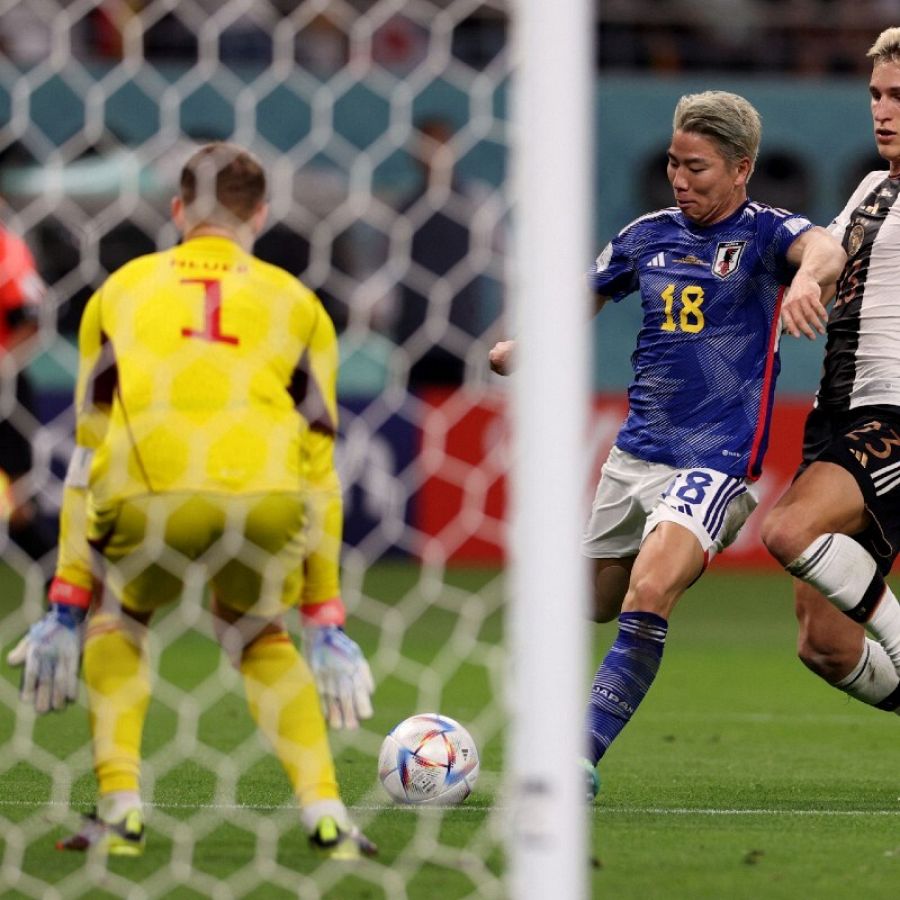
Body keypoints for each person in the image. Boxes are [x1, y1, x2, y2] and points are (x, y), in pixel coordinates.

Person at [17, 141, 377, 859]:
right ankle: (327, 815)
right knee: (259, 635)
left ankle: (120, 811)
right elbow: (320, 466)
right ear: (263, 216)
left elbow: (88, 456)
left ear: (178, 210)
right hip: (267, 495)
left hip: (149, 490)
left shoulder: (120, 288)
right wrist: (326, 614)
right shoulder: (299, 302)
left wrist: (65, 600)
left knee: (119, 619)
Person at [490, 90, 847, 795]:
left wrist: (808, 280)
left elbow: (826, 247)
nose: (681, 181)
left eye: (699, 169)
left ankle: (579, 757)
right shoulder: (646, 235)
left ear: (742, 168)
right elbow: (582, 296)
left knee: (650, 589)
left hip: (715, 463)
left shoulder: (767, 235)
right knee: (594, 601)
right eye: (674, 165)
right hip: (634, 456)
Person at [761, 28, 900, 716]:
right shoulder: (874, 186)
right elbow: (826, 249)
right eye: (876, 94)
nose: (883, 109)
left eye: (899, 96)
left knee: (788, 531)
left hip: (893, 415)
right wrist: (808, 281)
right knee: (826, 645)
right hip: (836, 418)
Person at [0, 211, 55, 563]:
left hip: (5, 390)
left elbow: (34, 320)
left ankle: (65, 599)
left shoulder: (7, 247)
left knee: (20, 509)